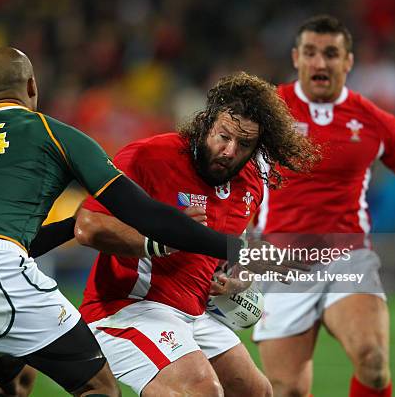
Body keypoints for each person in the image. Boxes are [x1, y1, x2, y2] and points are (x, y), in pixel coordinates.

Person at [0, 47, 263, 397]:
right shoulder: (51, 132)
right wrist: (233, 246)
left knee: (16, 380)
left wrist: (74, 221)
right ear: (32, 87)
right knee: (99, 387)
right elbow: (143, 213)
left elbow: (8, 240)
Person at [73, 72, 318, 397]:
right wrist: (157, 240)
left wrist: (237, 279)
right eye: (223, 136)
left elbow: (226, 257)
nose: (230, 151)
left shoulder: (250, 186)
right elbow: (88, 228)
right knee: (202, 391)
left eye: (244, 144)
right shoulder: (149, 156)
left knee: (257, 392)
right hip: (126, 308)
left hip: (194, 314)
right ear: (206, 123)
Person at [253, 15, 395, 397]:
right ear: (296, 57)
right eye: (311, 53)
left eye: (331, 54)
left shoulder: (375, 121)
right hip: (279, 261)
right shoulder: (267, 111)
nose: (320, 63)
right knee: (288, 390)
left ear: (348, 62)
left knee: (373, 360)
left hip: (347, 257)